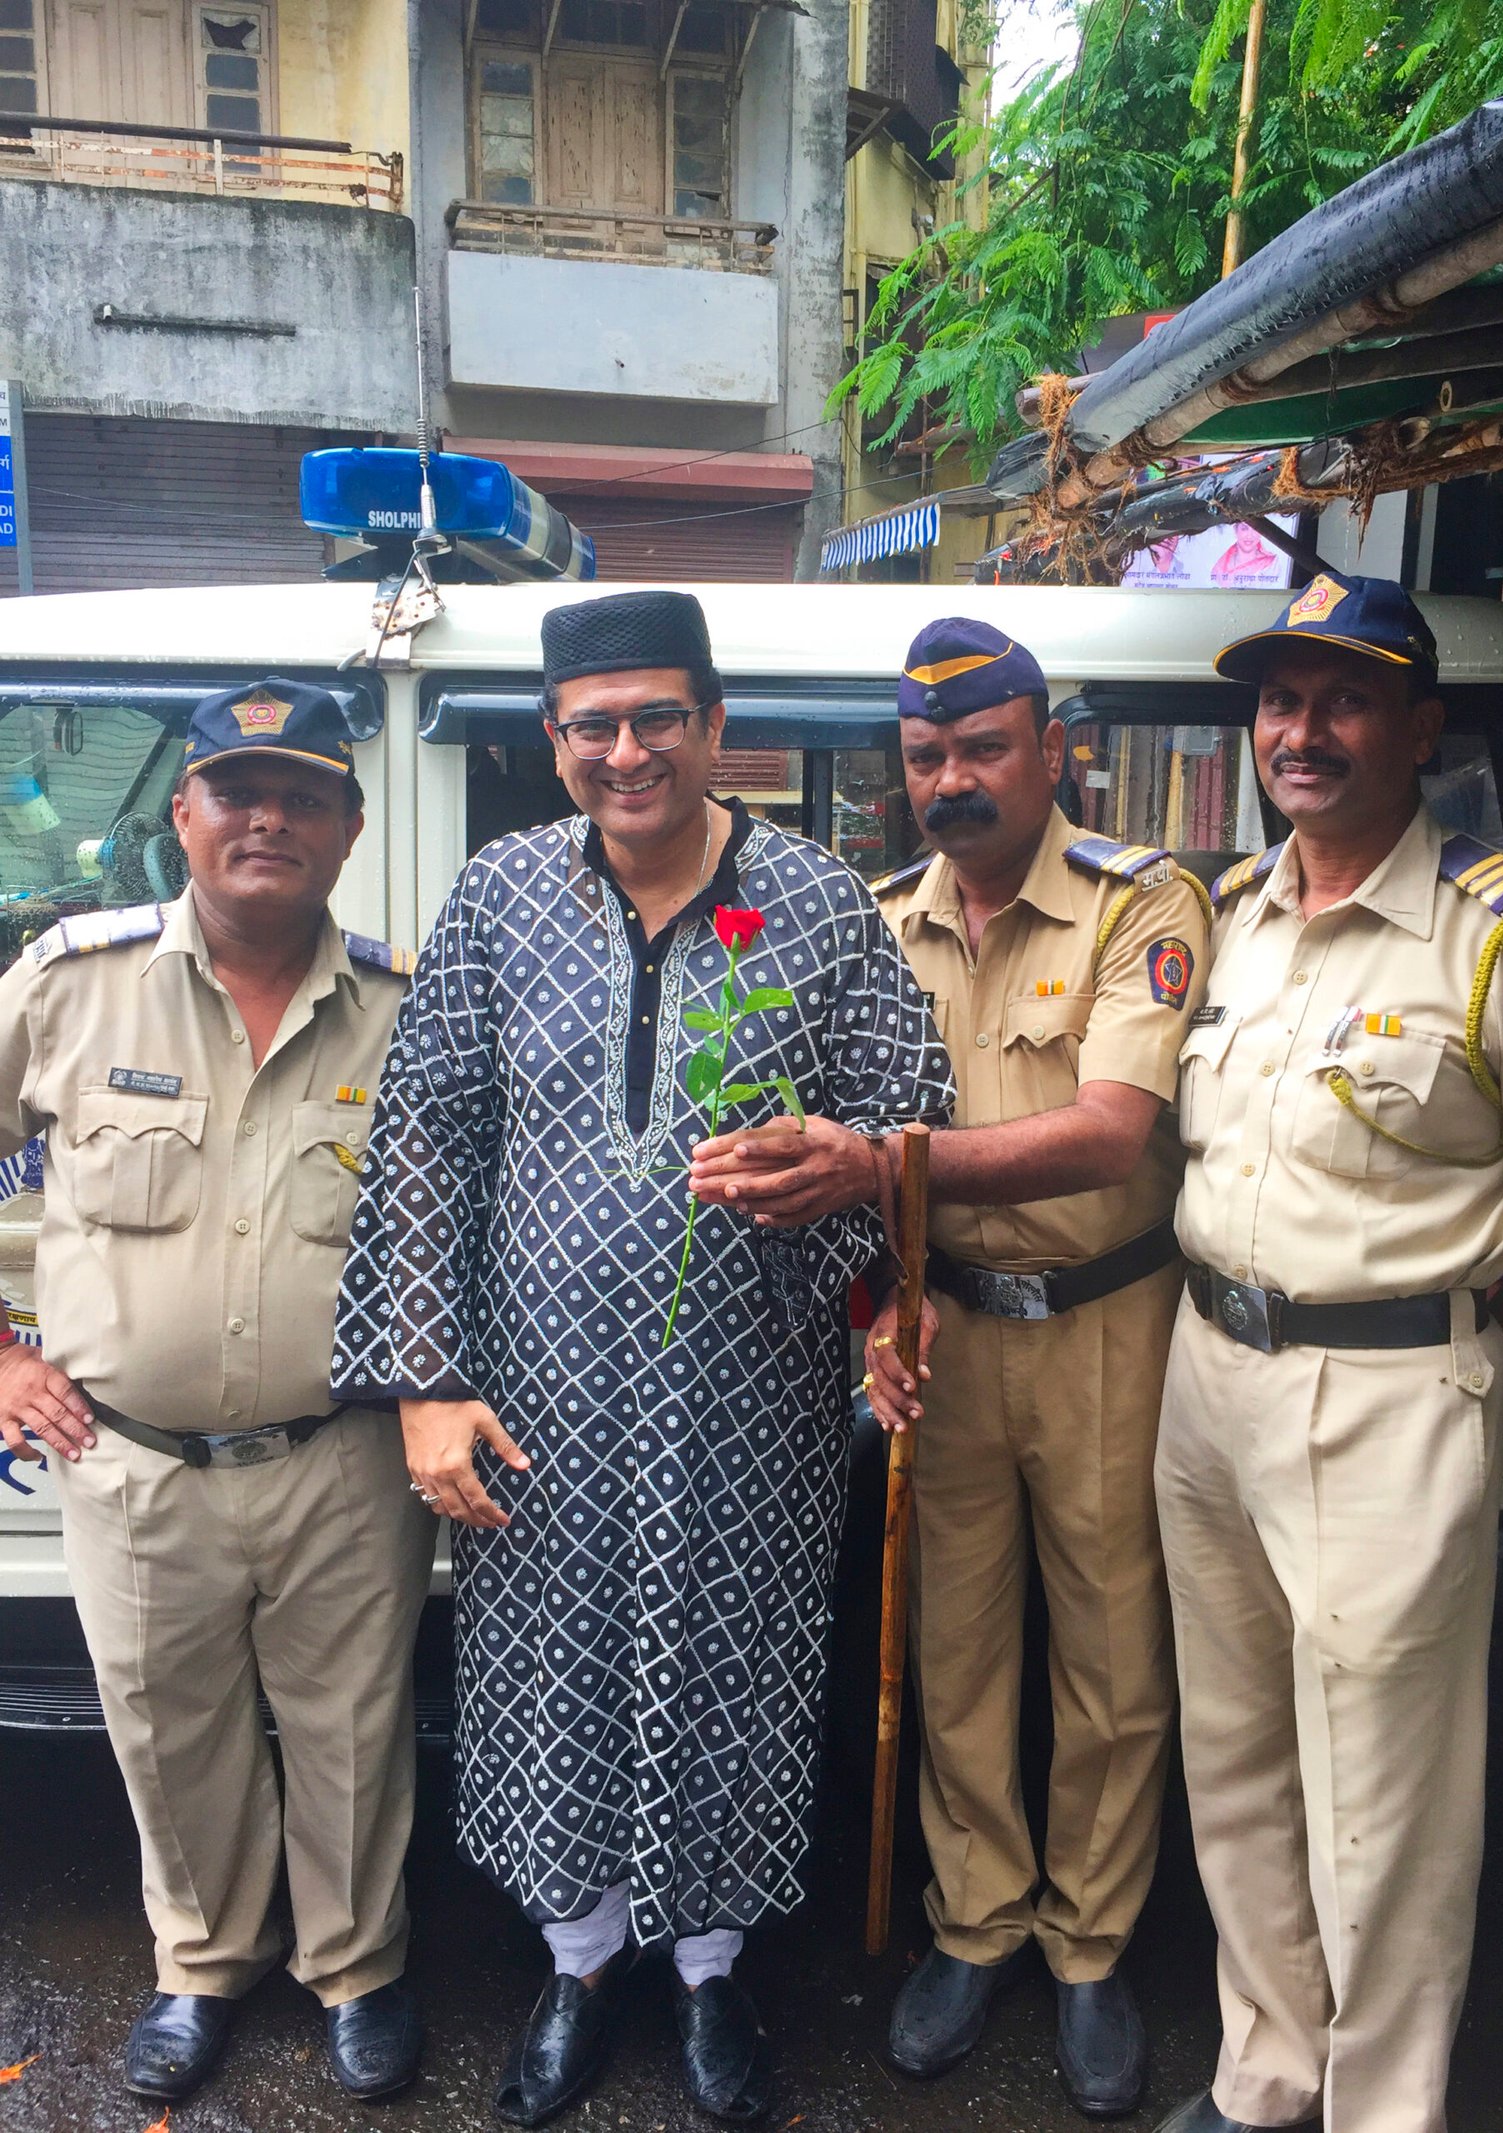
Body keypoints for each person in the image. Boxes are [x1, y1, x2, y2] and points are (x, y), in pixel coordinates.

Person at [331, 588, 952, 2128]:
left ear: (714, 727)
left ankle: (712, 1967)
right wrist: (424, 1382)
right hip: (532, 1402)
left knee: (737, 1663)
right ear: (553, 745)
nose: (628, 751)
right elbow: (423, 1145)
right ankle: (581, 1959)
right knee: (548, 1675)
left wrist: (867, 1208)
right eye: (594, 725)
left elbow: (913, 1122)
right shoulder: (496, 902)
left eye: (657, 717)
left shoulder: (813, 903)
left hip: (752, 1401)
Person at [688, 617, 1212, 2118]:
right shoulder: (876, 919)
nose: (953, 778)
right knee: (956, 1649)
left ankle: (1093, 1942)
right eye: (926, 755)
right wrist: (876, 1292)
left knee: (1114, 1659)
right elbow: (822, 1128)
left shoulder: (1143, 900)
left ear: (1055, 751)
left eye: (984, 747)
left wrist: (882, 1159)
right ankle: (978, 1923)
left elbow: (1115, 1127)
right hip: (943, 1325)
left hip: (1110, 1320)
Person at [1149, 572, 1503, 2133]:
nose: (1303, 729)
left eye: (1344, 697)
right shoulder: (1224, 916)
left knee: (1388, 1810)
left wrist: (1444, 1365)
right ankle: (1267, 2074)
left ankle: (1381, 2111)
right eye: (1281, 698)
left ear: (1418, 726)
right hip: (1207, 1381)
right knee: (1241, 1760)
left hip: (1394, 1392)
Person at [0, 680, 433, 2104]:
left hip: (340, 1452)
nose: (268, 819)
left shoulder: (400, 1007)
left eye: (302, 794)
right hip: (132, 1459)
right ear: (181, 813)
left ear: (349, 826)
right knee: (165, 1726)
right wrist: (5, 1349)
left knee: (353, 1728)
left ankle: (357, 1970)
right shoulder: (72, 978)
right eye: (237, 791)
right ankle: (200, 1964)